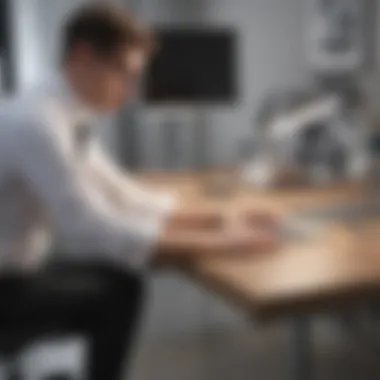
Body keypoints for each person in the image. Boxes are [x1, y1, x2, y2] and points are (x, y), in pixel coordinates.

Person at [0, 3, 278, 379]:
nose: (130, 92)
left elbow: (120, 192)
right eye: (123, 74)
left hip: (20, 267)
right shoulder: (38, 123)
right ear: (82, 56)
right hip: (7, 285)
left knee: (116, 279)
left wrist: (219, 219)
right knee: (120, 291)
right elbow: (88, 231)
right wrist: (223, 242)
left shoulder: (64, 112)